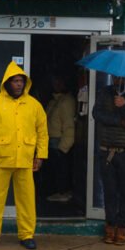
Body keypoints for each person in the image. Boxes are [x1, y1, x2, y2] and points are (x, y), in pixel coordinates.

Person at [0, 61, 48, 250]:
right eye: (15, 81)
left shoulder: (34, 105)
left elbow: (42, 132)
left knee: (26, 200)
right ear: (7, 82)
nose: (18, 84)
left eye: (21, 81)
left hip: (25, 159)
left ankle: (27, 235)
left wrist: (40, 155)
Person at [92, 75, 125, 244]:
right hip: (106, 150)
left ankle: (122, 228)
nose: (117, 80)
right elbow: (97, 113)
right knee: (110, 192)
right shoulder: (105, 92)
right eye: (115, 77)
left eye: (121, 77)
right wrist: (119, 121)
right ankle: (110, 225)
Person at [45, 75, 76, 203]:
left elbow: (69, 126)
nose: (56, 84)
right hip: (51, 140)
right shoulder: (54, 101)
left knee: (61, 169)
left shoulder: (67, 101)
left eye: (59, 82)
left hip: (60, 142)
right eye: (54, 81)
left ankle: (63, 192)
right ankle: (59, 191)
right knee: (55, 170)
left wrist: (63, 147)